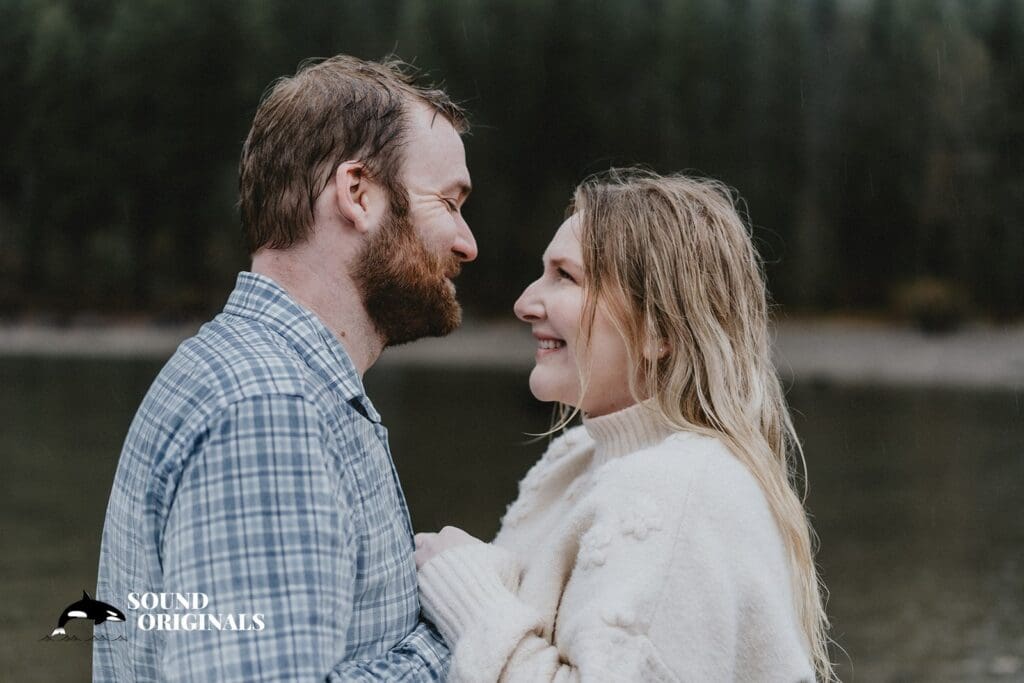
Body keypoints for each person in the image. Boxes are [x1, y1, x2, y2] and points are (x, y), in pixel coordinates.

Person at [94, 55, 476, 681]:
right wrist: (464, 628)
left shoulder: (263, 380)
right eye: (450, 202)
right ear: (358, 194)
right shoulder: (268, 408)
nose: (467, 243)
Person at [415, 169, 834, 682]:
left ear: (659, 329)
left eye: (564, 276)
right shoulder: (573, 459)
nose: (525, 303)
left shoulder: (680, 491)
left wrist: (470, 596)